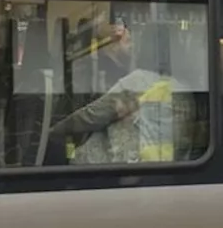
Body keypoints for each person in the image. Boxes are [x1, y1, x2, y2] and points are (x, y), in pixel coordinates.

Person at [50, 23, 178, 165]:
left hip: (111, 163)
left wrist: (54, 131)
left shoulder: (138, 80)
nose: (133, 47)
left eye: (135, 42)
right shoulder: (179, 87)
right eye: (129, 41)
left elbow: (93, 115)